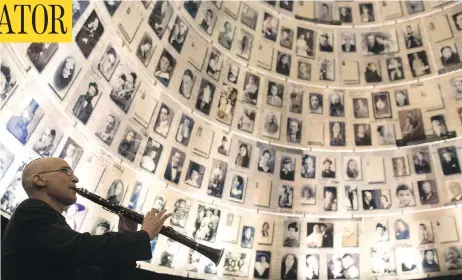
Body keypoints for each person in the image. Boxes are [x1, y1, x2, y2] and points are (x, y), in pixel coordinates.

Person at [1, 157, 172, 280]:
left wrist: (127, 236)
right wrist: (141, 237)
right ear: (39, 179)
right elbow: (80, 247)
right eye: (65, 171)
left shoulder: (55, 227)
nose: (75, 178)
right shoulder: (30, 210)